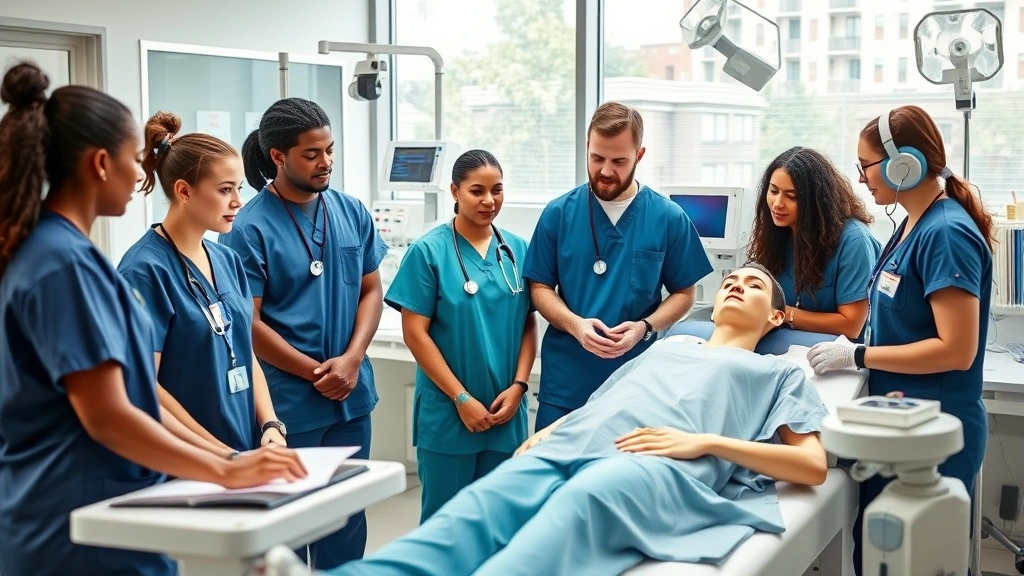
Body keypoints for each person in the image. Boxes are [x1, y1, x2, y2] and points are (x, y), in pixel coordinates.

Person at [266, 263, 829, 576]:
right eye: (732, 280)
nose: (736, 284)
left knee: (579, 505)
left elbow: (811, 466)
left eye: (754, 285)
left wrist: (703, 442)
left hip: (652, 462)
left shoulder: (778, 373)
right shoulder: (666, 347)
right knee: (479, 508)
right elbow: (601, 403)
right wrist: (547, 432)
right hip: (578, 441)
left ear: (778, 315)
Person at [0, 63, 306, 576]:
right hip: (76, 524)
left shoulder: (60, 252)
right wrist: (223, 467)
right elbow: (109, 415)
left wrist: (244, 449)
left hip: (104, 508)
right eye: (130, 159)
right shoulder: (64, 265)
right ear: (100, 163)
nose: (142, 175)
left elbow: (129, 395)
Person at [806, 105, 993, 576]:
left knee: (920, 561)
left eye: (866, 165)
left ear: (902, 163)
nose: (863, 179)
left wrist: (858, 354)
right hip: (899, 427)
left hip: (934, 434)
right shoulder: (911, 224)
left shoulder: (945, 233)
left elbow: (956, 349)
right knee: (878, 558)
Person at [219, 97, 388, 569]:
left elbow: (371, 290)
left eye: (329, 149)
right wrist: (317, 372)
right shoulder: (248, 227)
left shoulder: (350, 211)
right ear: (278, 157)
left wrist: (352, 359)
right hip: (290, 403)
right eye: (312, 153)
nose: (325, 161)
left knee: (346, 517)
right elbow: (248, 325)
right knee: (290, 524)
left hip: (350, 397)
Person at [523, 101, 712, 431]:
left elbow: (684, 293)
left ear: (639, 156)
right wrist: (573, 324)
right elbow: (539, 288)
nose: (606, 170)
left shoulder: (667, 218)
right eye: (597, 158)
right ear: (586, 147)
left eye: (619, 161)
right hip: (566, 383)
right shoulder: (558, 214)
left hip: (635, 383)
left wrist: (645, 327)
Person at [118, 111, 288, 453]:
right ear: (184, 191)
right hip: (185, 460)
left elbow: (243, 351)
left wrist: (270, 425)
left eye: (238, 188)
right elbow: (144, 387)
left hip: (243, 449)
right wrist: (220, 456)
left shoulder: (227, 260)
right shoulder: (144, 271)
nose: (238, 201)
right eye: (225, 190)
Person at [384, 150, 537, 522]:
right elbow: (415, 333)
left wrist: (519, 386)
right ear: (454, 191)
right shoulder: (429, 251)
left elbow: (528, 323)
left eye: (497, 190)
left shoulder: (516, 249)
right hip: (450, 414)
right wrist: (462, 397)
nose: (489, 200)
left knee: (499, 521)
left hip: (506, 410)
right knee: (445, 524)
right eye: (477, 191)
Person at [747, 146, 881, 340]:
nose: (777, 203)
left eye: (791, 196)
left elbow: (852, 325)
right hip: (784, 347)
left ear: (817, 201)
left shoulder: (854, 241)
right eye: (773, 191)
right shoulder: (777, 234)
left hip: (837, 355)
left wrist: (782, 313)